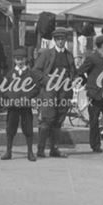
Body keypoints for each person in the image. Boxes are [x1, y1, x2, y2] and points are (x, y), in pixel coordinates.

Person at [33, 27, 76, 158]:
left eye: (63, 39)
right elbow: (36, 71)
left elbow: (73, 72)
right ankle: (40, 149)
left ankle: (54, 149)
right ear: (54, 40)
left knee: (58, 120)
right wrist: (48, 81)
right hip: (50, 92)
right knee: (47, 120)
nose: (61, 42)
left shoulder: (69, 55)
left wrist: (72, 80)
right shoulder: (47, 54)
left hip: (64, 92)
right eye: (58, 40)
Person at [1, 47, 41, 161]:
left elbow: (36, 88)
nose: (20, 61)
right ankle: (8, 152)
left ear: (26, 60)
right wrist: (11, 98)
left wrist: (27, 97)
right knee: (10, 128)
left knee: (28, 128)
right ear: (14, 60)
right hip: (13, 106)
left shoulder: (30, 74)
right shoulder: (10, 74)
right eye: (17, 59)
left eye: (22, 59)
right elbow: (3, 88)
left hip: (25, 106)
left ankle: (30, 152)